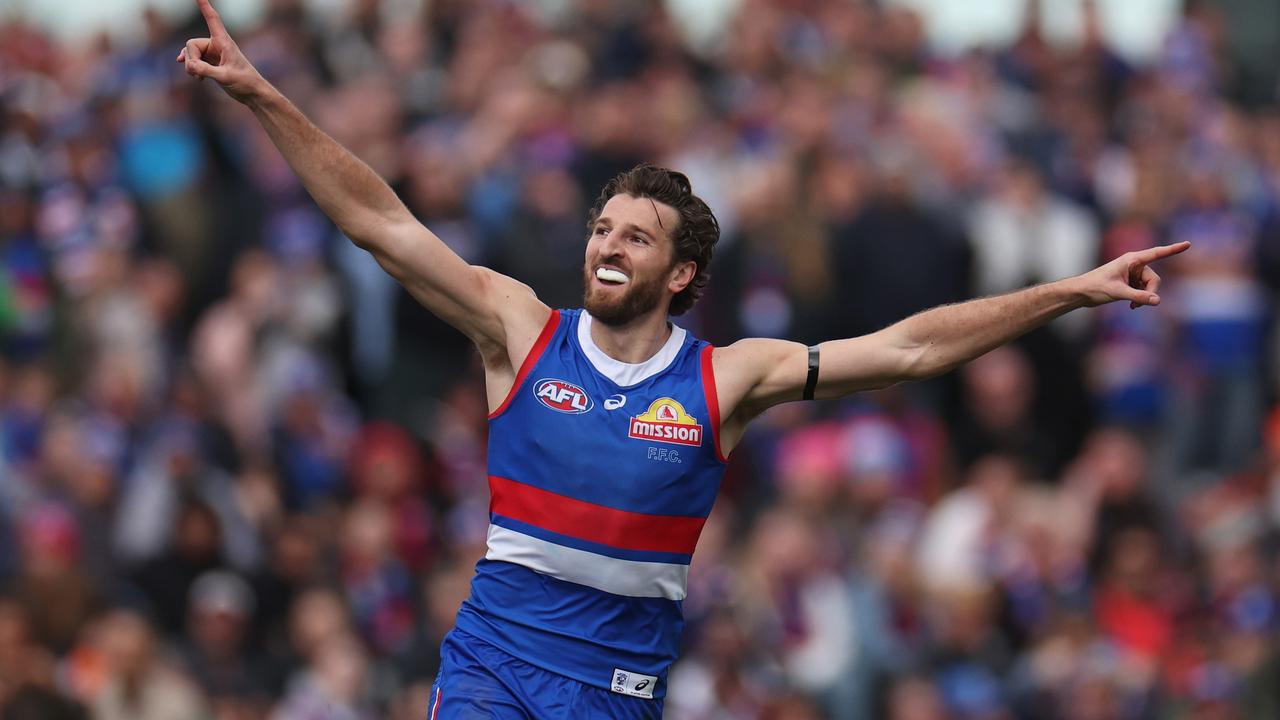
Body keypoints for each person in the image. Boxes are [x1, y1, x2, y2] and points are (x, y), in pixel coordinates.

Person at [176, 1, 1189, 716]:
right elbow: (379, 224)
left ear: (680, 276)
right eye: (601, 228)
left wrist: (1069, 289)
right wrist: (265, 97)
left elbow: (911, 349)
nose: (606, 245)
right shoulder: (519, 330)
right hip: (490, 669)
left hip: (615, 694)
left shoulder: (723, 380)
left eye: (635, 238)